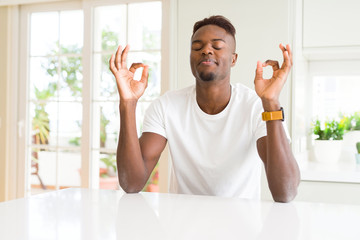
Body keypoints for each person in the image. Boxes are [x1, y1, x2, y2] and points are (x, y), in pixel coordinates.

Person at [109, 15, 300, 202]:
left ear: (233, 59)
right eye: (197, 47)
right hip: (183, 229)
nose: (206, 50)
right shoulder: (167, 106)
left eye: (217, 46)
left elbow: (285, 192)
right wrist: (128, 103)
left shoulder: (256, 106)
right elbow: (131, 183)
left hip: (241, 229)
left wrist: (271, 102)